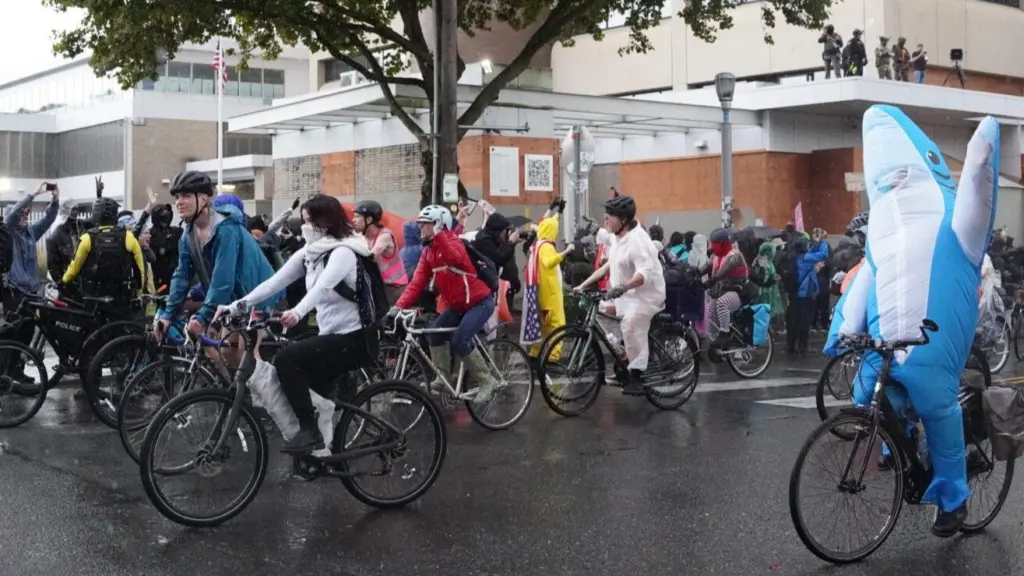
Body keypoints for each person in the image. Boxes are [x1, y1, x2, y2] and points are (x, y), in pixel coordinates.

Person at [220, 195, 370, 453]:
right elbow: (274, 283)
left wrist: (298, 312)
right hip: (331, 334)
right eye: (303, 221)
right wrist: (237, 305)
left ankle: (310, 432)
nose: (304, 227)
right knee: (310, 389)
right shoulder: (311, 253)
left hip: (355, 338)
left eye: (309, 221)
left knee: (287, 359)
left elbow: (323, 288)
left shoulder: (345, 251)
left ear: (326, 222)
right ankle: (322, 454)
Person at [153, 170, 277, 343]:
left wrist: (203, 316)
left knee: (243, 356)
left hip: (260, 298)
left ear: (204, 199)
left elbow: (223, 280)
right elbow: (181, 275)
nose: (179, 202)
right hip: (233, 302)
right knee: (219, 353)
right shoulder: (188, 234)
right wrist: (168, 315)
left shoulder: (226, 230)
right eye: (177, 197)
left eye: (186, 196)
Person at [392, 205, 499, 405]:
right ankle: (443, 378)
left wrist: (440, 235)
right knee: (434, 332)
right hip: (459, 305)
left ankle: (487, 381)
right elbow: (416, 283)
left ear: (439, 225)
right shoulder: (428, 252)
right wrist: (398, 306)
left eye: (425, 224)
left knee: (460, 340)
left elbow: (454, 257)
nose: (420, 228)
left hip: (480, 302)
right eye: (420, 224)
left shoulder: (454, 243)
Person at [573, 196, 665, 396]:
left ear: (622, 220)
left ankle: (637, 376)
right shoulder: (618, 236)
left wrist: (623, 287)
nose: (605, 222)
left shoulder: (639, 241)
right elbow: (607, 261)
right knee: (602, 314)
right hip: (623, 295)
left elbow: (644, 274)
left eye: (608, 218)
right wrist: (582, 286)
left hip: (644, 296)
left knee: (631, 324)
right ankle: (624, 357)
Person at [3, 182, 59, 382]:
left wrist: (55, 199)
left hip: (31, 292)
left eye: (28, 212)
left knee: (26, 333)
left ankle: (16, 370)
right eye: (23, 213)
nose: (26, 214)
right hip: (14, 291)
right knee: (12, 333)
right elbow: (12, 214)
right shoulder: (9, 232)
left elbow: (49, 219)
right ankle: (5, 373)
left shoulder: (31, 233)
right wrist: (33, 194)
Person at [61, 196, 146, 310]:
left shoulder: (87, 238)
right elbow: (140, 270)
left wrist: (62, 282)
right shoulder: (128, 237)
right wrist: (139, 293)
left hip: (93, 297)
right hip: (120, 297)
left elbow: (74, 268)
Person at [526, 203, 574, 358]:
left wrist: (557, 212)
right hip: (551, 296)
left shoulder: (537, 245)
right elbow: (549, 262)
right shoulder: (547, 246)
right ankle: (553, 358)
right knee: (557, 326)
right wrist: (566, 252)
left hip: (543, 295)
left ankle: (534, 354)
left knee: (545, 328)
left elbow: (549, 223)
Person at [702, 228, 754, 345]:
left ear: (723, 244)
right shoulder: (715, 257)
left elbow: (723, 272)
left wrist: (711, 281)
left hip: (740, 292)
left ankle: (724, 333)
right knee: (710, 311)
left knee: (722, 303)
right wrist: (694, 274)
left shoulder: (734, 256)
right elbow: (705, 268)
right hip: (723, 291)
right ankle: (716, 343)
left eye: (714, 244)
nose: (712, 247)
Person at [352, 200, 407, 304]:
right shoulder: (363, 237)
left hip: (394, 288)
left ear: (368, 219)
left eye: (357, 216)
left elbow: (370, 257)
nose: (353, 220)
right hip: (380, 285)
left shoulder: (384, 236)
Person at [786, 232, 829, 354]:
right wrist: (823, 240)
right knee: (805, 322)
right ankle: (802, 345)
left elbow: (812, 253)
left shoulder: (794, 257)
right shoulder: (805, 259)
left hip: (795, 295)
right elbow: (823, 255)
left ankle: (791, 345)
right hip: (806, 295)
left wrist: (816, 243)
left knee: (794, 321)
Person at [46, 200, 85, 289]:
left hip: (81, 283)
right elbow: (53, 265)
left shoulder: (79, 227)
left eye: (76, 209)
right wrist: (61, 284)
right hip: (67, 284)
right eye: (73, 209)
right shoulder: (55, 237)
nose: (76, 212)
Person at [752, 241, 784, 324]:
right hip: (764, 293)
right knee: (763, 314)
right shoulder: (760, 262)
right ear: (767, 252)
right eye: (772, 251)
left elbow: (771, 273)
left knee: (767, 314)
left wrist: (775, 276)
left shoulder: (769, 261)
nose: (774, 253)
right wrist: (773, 280)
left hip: (771, 291)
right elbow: (762, 280)